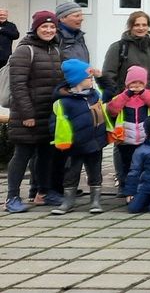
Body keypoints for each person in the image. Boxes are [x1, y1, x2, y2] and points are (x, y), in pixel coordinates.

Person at [48, 58, 109, 215]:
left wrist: (101, 77)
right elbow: (55, 123)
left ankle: (95, 201)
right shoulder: (64, 102)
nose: (92, 81)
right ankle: (68, 201)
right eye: (89, 78)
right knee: (71, 173)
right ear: (78, 81)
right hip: (74, 145)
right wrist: (60, 140)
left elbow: (110, 92)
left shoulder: (95, 95)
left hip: (95, 142)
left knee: (95, 172)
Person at [106, 66, 150, 196]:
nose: (137, 86)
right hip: (125, 139)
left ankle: (142, 188)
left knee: (144, 164)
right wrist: (126, 95)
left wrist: (144, 94)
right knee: (126, 165)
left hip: (144, 138)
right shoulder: (121, 97)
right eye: (134, 83)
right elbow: (112, 109)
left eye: (140, 83)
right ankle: (125, 187)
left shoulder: (148, 95)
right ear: (128, 83)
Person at [100, 11, 150, 99]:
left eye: (144, 25)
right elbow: (108, 75)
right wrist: (117, 98)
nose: (141, 28)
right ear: (130, 26)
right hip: (125, 101)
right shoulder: (118, 47)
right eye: (136, 25)